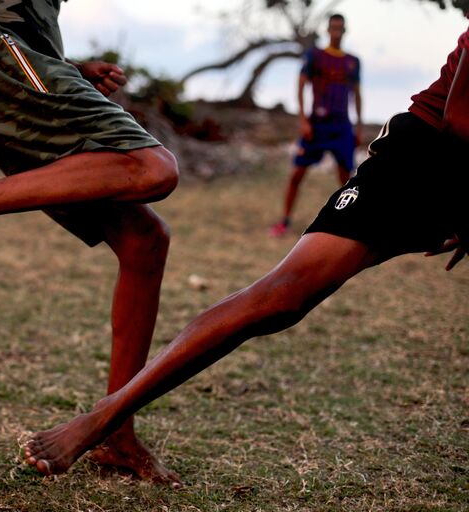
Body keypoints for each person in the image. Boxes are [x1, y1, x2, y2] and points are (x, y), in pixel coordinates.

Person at [25, 25, 468, 483]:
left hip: (442, 170)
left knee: (285, 299)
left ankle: (111, 421)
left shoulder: (351, 62)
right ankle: (105, 417)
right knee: (282, 296)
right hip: (423, 162)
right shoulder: (320, 58)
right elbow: (459, 123)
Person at [0, 0, 182, 484]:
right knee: (153, 167)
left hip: (5, 58)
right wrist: (28, 60)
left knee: (143, 239)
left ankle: (116, 432)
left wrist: (64, 68)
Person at [270, 13, 363, 237]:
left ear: (345, 31)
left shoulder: (352, 61)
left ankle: (348, 225)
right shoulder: (315, 56)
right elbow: (300, 86)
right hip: (317, 124)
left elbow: (357, 94)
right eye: (333, 28)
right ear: (328, 30)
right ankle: (284, 221)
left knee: (347, 179)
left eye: (340, 28)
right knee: (297, 174)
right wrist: (302, 120)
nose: (337, 32)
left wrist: (358, 126)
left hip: (342, 125)